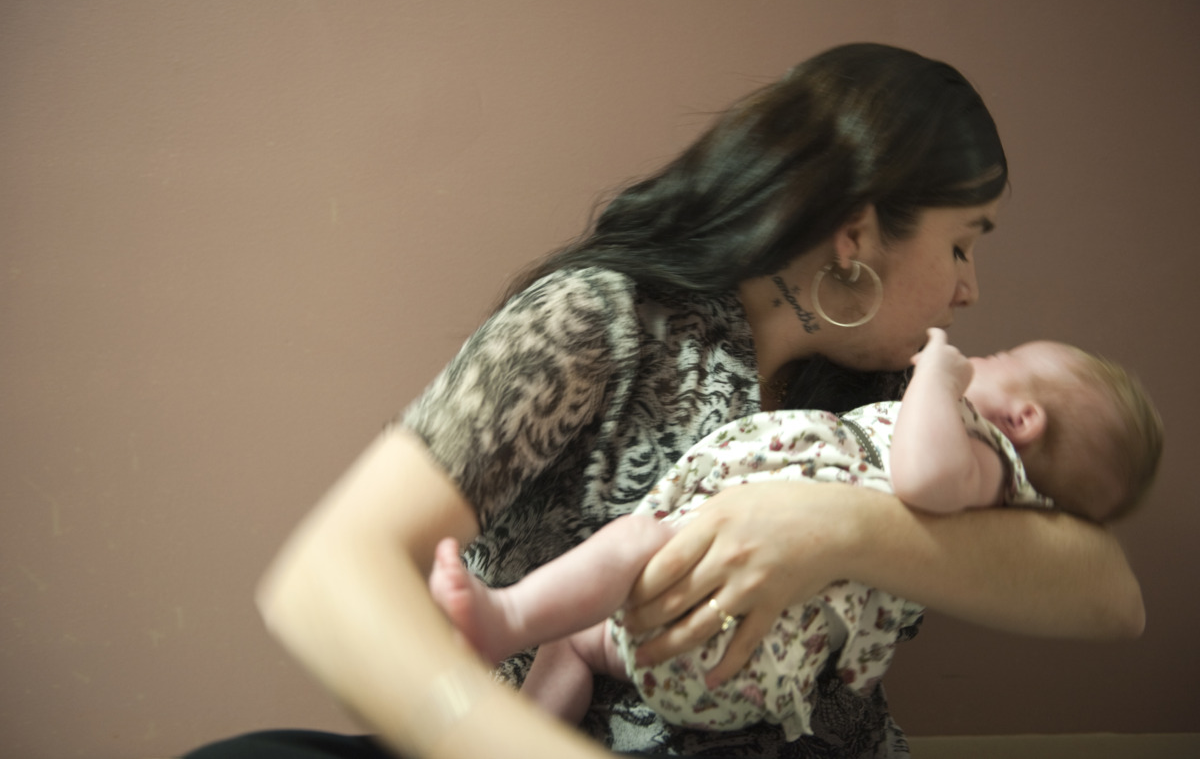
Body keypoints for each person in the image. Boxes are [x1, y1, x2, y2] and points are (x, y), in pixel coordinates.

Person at [182, 44, 1146, 759]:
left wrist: (829, 525)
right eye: (965, 242)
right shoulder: (600, 322)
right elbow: (327, 574)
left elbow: (1110, 596)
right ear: (857, 235)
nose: (972, 289)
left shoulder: (906, 398)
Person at [427, 327, 1162, 740]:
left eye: (1006, 360)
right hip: (719, 656)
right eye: (961, 248)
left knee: (631, 545)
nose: (974, 314)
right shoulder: (616, 319)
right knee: (579, 639)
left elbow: (922, 479)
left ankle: (510, 617)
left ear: (1022, 421)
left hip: (736, 632)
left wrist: (939, 377)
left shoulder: (982, 462)